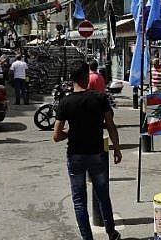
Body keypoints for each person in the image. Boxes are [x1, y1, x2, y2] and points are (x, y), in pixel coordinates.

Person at [52, 61, 122, 240]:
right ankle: (111, 233)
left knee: (79, 201)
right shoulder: (99, 98)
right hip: (97, 153)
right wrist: (116, 148)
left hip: (75, 155)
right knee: (103, 196)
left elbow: (56, 135)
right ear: (86, 76)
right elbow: (110, 125)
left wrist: (71, 133)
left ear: (71, 78)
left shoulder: (65, 102)